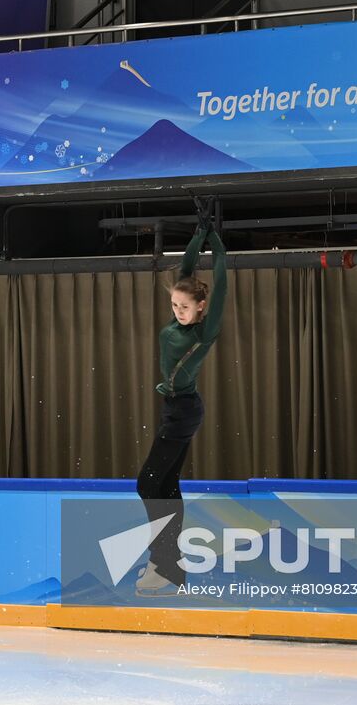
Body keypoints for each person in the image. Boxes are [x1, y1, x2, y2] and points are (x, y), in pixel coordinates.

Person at [135, 199, 228, 596]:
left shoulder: (202, 333)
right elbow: (187, 270)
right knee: (166, 483)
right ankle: (168, 566)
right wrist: (198, 235)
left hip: (184, 411)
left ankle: (166, 561)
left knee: (147, 483)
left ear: (200, 307)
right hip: (175, 408)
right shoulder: (178, 319)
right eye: (174, 305)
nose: (178, 311)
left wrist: (218, 245)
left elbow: (220, 281)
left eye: (185, 307)